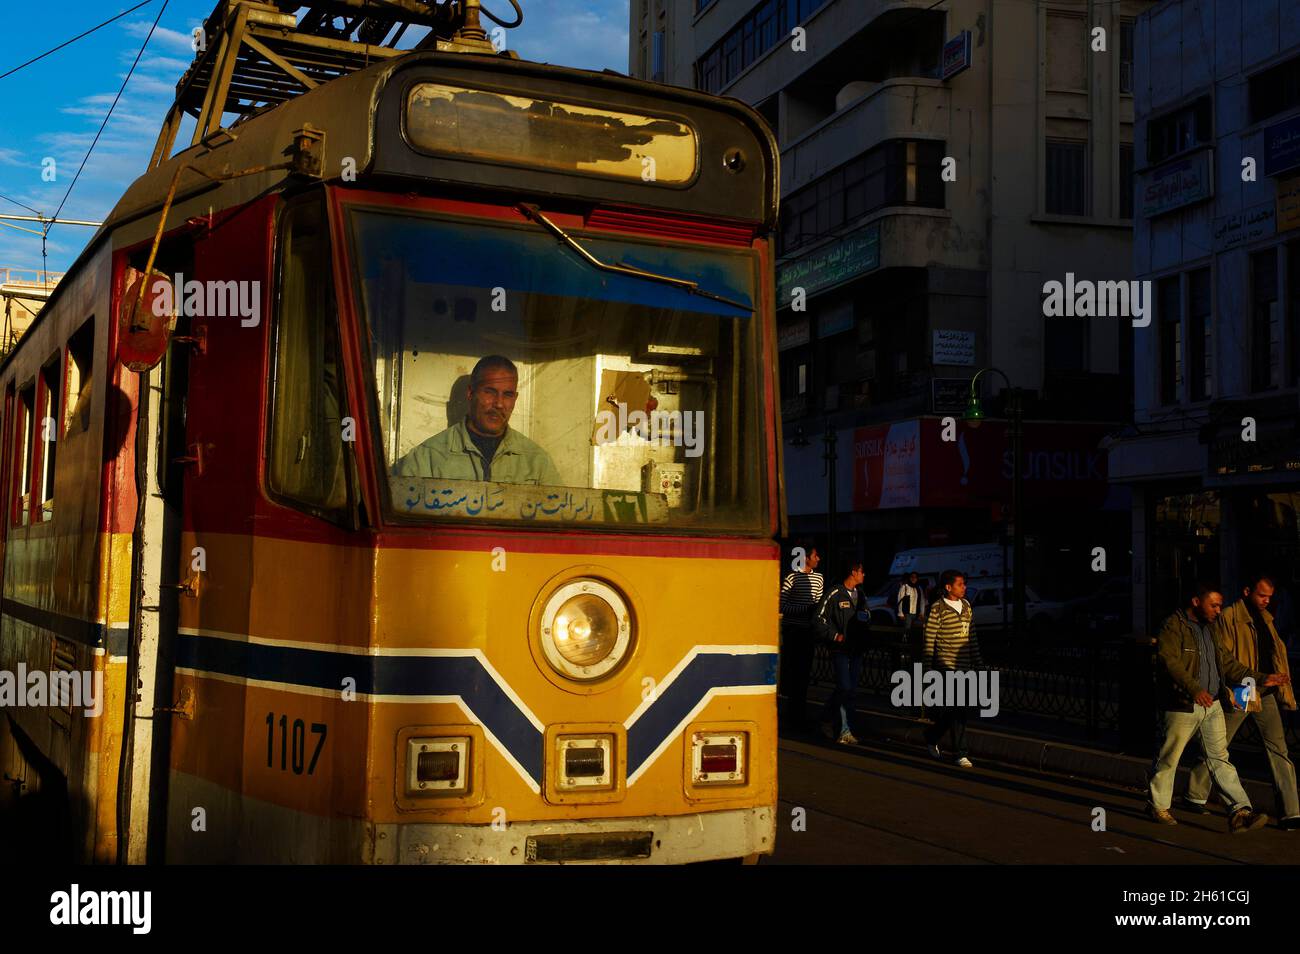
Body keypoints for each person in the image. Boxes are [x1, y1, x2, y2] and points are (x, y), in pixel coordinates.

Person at [1147, 583, 1289, 833]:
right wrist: (1194, 689)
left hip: (1212, 703)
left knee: (1220, 758)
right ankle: (1157, 804)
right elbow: (1171, 662)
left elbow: (1228, 663)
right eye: (1213, 605)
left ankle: (1240, 811)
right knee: (1170, 757)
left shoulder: (1211, 629)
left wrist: (1261, 677)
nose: (1218, 610)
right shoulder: (1174, 626)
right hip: (1182, 705)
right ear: (1195, 602)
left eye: (1220, 605)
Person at [1183, 575, 1299, 829]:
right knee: (1218, 746)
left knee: (1279, 750)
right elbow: (1221, 658)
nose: (1266, 601)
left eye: (1270, 596)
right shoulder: (1227, 617)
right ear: (1247, 592)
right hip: (1242, 690)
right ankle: (1195, 795)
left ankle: (1291, 813)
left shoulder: (1267, 619)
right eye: (1261, 595)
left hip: (1265, 691)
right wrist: (1227, 689)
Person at [394, 355, 562, 484]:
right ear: (470, 393)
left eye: (508, 395)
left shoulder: (537, 461)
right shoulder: (426, 458)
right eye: (489, 392)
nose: (499, 404)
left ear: (515, 399)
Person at [922, 569, 984, 768]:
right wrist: (926, 667)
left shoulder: (966, 606)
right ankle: (960, 753)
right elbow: (929, 639)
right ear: (948, 587)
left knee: (956, 710)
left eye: (964, 584)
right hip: (945, 667)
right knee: (958, 710)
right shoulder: (937, 608)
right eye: (960, 584)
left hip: (964, 668)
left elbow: (971, 637)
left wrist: (979, 664)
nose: (964, 587)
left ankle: (932, 736)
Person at [815, 561, 868, 745]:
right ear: (853, 572)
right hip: (840, 650)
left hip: (856, 650)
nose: (864, 575)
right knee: (844, 687)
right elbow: (819, 618)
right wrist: (835, 635)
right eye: (862, 572)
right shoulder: (835, 593)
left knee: (850, 690)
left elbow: (865, 617)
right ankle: (834, 723)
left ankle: (841, 726)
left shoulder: (861, 595)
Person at [779, 540, 824, 730]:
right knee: (793, 673)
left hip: (808, 632)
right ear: (806, 558)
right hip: (793, 631)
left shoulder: (819, 578)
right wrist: (805, 609)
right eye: (815, 556)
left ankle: (800, 713)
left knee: (804, 674)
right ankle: (792, 713)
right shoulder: (792, 578)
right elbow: (781, 605)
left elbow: (819, 603)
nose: (818, 559)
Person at [896, 572, 928, 644]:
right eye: (912, 577)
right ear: (909, 578)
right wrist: (900, 613)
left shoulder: (919, 588)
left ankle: (912, 645)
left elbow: (922, 601)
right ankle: (904, 646)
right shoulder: (905, 587)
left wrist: (922, 613)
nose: (913, 579)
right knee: (906, 631)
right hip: (907, 614)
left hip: (916, 614)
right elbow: (899, 600)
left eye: (915, 577)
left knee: (915, 631)